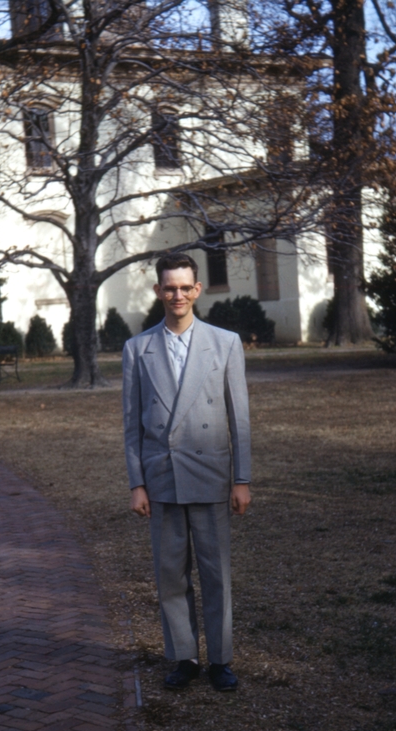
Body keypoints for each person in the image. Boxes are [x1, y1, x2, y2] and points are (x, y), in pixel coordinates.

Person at [122, 252, 251, 692]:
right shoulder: (138, 349)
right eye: (169, 287)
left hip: (211, 475)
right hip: (162, 479)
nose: (178, 294)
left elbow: (241, 419)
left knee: (215, 574)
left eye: (185, 287)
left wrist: (242, 478)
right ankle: (183, 656)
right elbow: (131, 424)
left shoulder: (225, 342)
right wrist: (137, 483)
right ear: (158, 291)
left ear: (197, 290)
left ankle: (220, 659)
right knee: (170, 575)